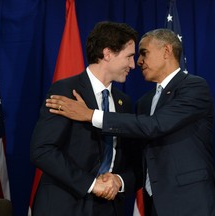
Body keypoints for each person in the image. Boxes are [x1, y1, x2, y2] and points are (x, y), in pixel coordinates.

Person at [46, 28, 215, 216]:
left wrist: (91, 115)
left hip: (191, 204)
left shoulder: (194, 87)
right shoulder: (143, 103)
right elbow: (140, 158)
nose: (138, 62)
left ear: (166, 51)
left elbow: (155, 125)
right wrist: (118, 180)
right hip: (155, 205)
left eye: (143, 53)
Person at [30, 21, 141, 216]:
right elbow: (42, 150)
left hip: (108, 208)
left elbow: (133, 163)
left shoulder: (124, 102)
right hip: (64, 206)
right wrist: (91, 184)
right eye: (129, 56)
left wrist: (119, 180)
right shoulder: (66, 91)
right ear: (107, 53)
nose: (133, 64)